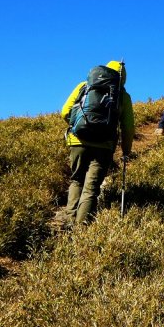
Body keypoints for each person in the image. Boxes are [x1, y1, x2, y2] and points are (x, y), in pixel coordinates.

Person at [61, 60, 134, 226]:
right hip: (104, 145)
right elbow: (128, 128)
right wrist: (126, 151)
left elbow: (65, 111)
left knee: (77, 180)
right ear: (123, 78)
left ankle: (70, 220)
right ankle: (81, 227)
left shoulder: (83, 86)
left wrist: (78, 126)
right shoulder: (122, 95)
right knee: (91, 187)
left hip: (78, 140)